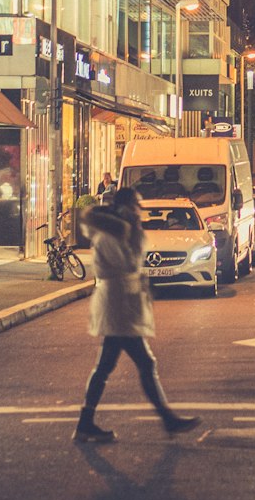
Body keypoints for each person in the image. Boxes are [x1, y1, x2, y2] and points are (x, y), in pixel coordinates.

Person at [73, 188, 201, 443]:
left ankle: (86, 423)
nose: (138, 210)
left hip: (122, 303)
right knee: (141, 363)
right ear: (124, 207)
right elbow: (126, 265)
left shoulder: (121, 231)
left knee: (108, 366)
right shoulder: (111, 234)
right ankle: (167, 420)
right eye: (135, 205)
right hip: (117, 304)